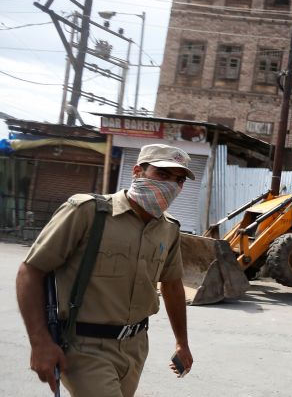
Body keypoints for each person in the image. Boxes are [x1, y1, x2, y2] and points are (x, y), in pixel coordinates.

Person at [16, 144, 195, 396]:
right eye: (162, 175)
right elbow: (31, 271)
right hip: (83, 347)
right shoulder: (88, 212)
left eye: (179, 180)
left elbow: (172, 285)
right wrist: (39, 341)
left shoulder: (169, 229)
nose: (171, 186)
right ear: (137, 172)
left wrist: (182, 343)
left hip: (135, 347)